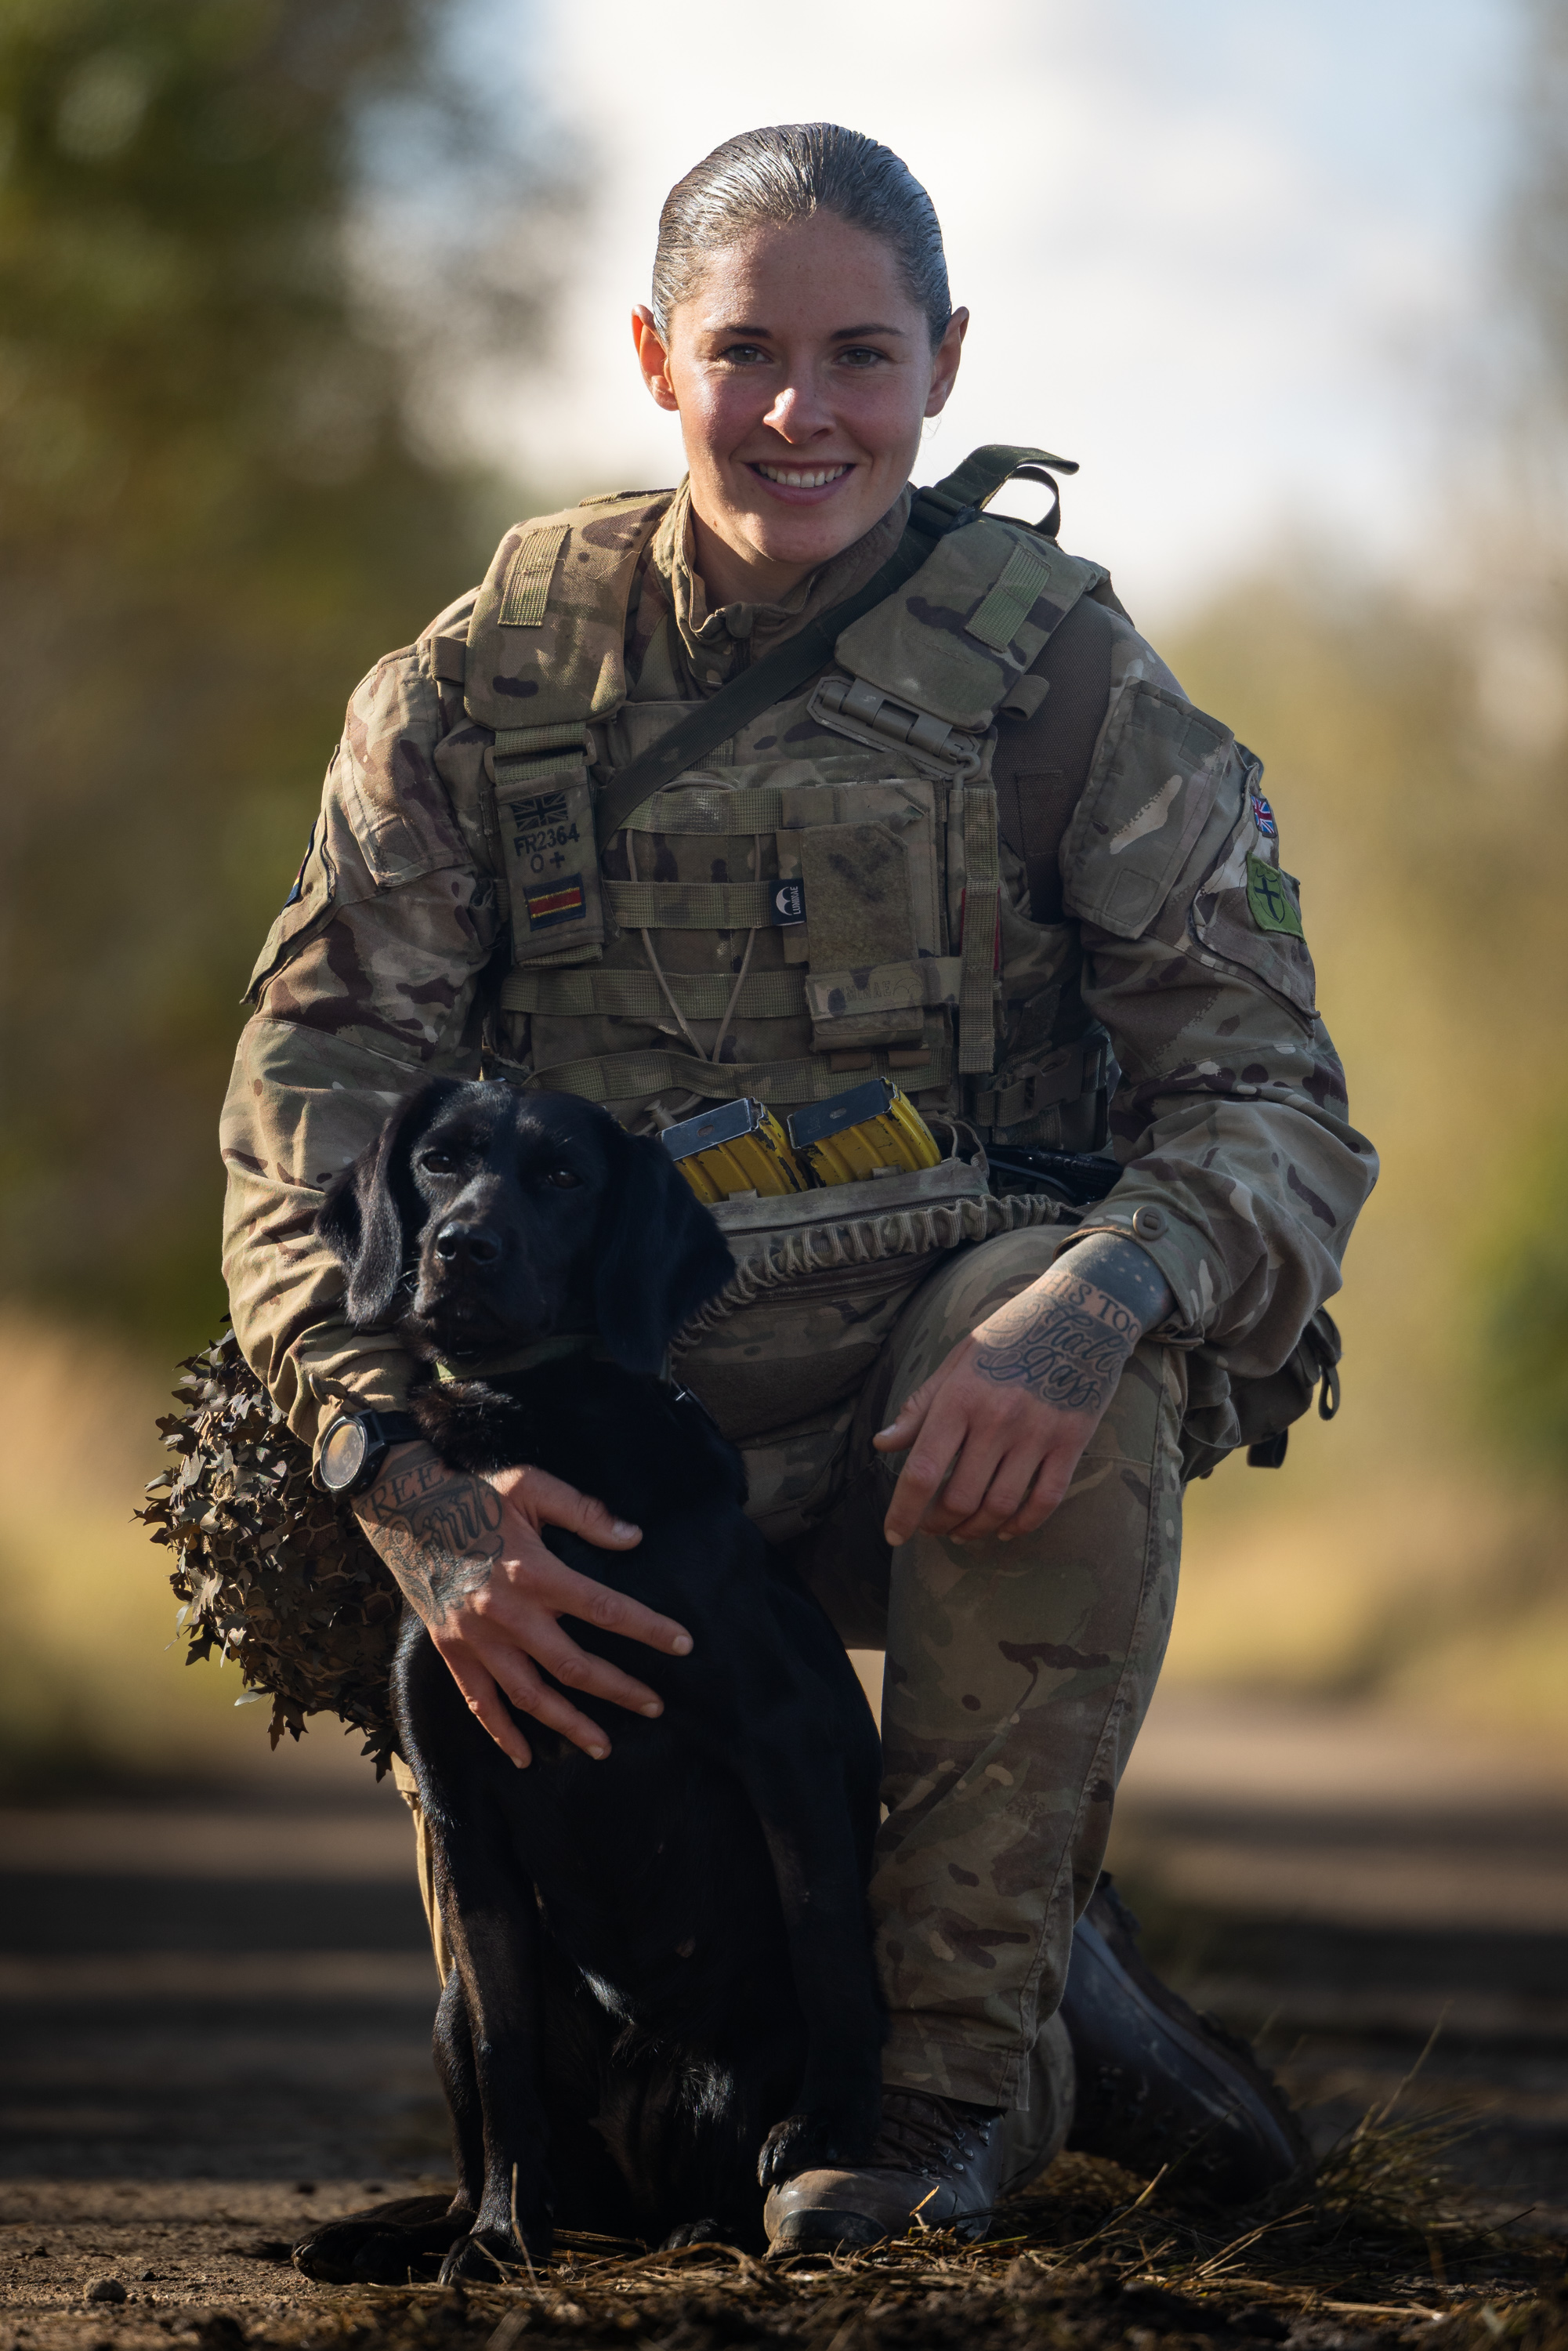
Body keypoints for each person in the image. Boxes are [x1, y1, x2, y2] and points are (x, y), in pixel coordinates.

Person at [221, 122, 1376, 2251]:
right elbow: (306, 1105)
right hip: (584, 1412)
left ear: (941, 363)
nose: (799, 412)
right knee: (290, 1447)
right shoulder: (475, 690)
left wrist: (1096, 1292)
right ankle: (569, 2113)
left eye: (858, 354)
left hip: (930, 1410)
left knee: (1075, 1342)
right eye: (745, 352)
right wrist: (399, 1478)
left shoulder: (1063, 686)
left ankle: (935, 2102)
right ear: (656, 355)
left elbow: (1274, 1101)